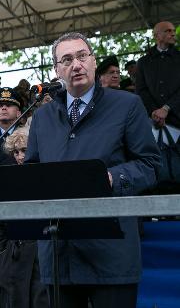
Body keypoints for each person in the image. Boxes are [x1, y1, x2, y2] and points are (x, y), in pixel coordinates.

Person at [25, 32, 161, 308]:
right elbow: (32, 170)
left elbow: (150, 164)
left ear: (93, 61)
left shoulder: (127, 105)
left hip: (111, 252)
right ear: (57, 70)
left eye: (81, 56)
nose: (76, 64)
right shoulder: (42, 117)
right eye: (66, 59)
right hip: (58, 255)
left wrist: (111, 178)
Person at [0, 128, 49, 308]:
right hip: (14, 254)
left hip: (41, 253)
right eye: (15, 152)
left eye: (24, 150)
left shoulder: (46, 175)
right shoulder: (8, 178)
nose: (19, 156)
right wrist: (2, 252)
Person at [136, 21, 180, 130]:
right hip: (154, 121)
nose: (173, 33)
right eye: (168, 30)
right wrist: (154, 112)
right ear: (157, 36)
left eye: (173, 31)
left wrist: (166, 108)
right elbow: (141, 90)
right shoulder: (143, 62)